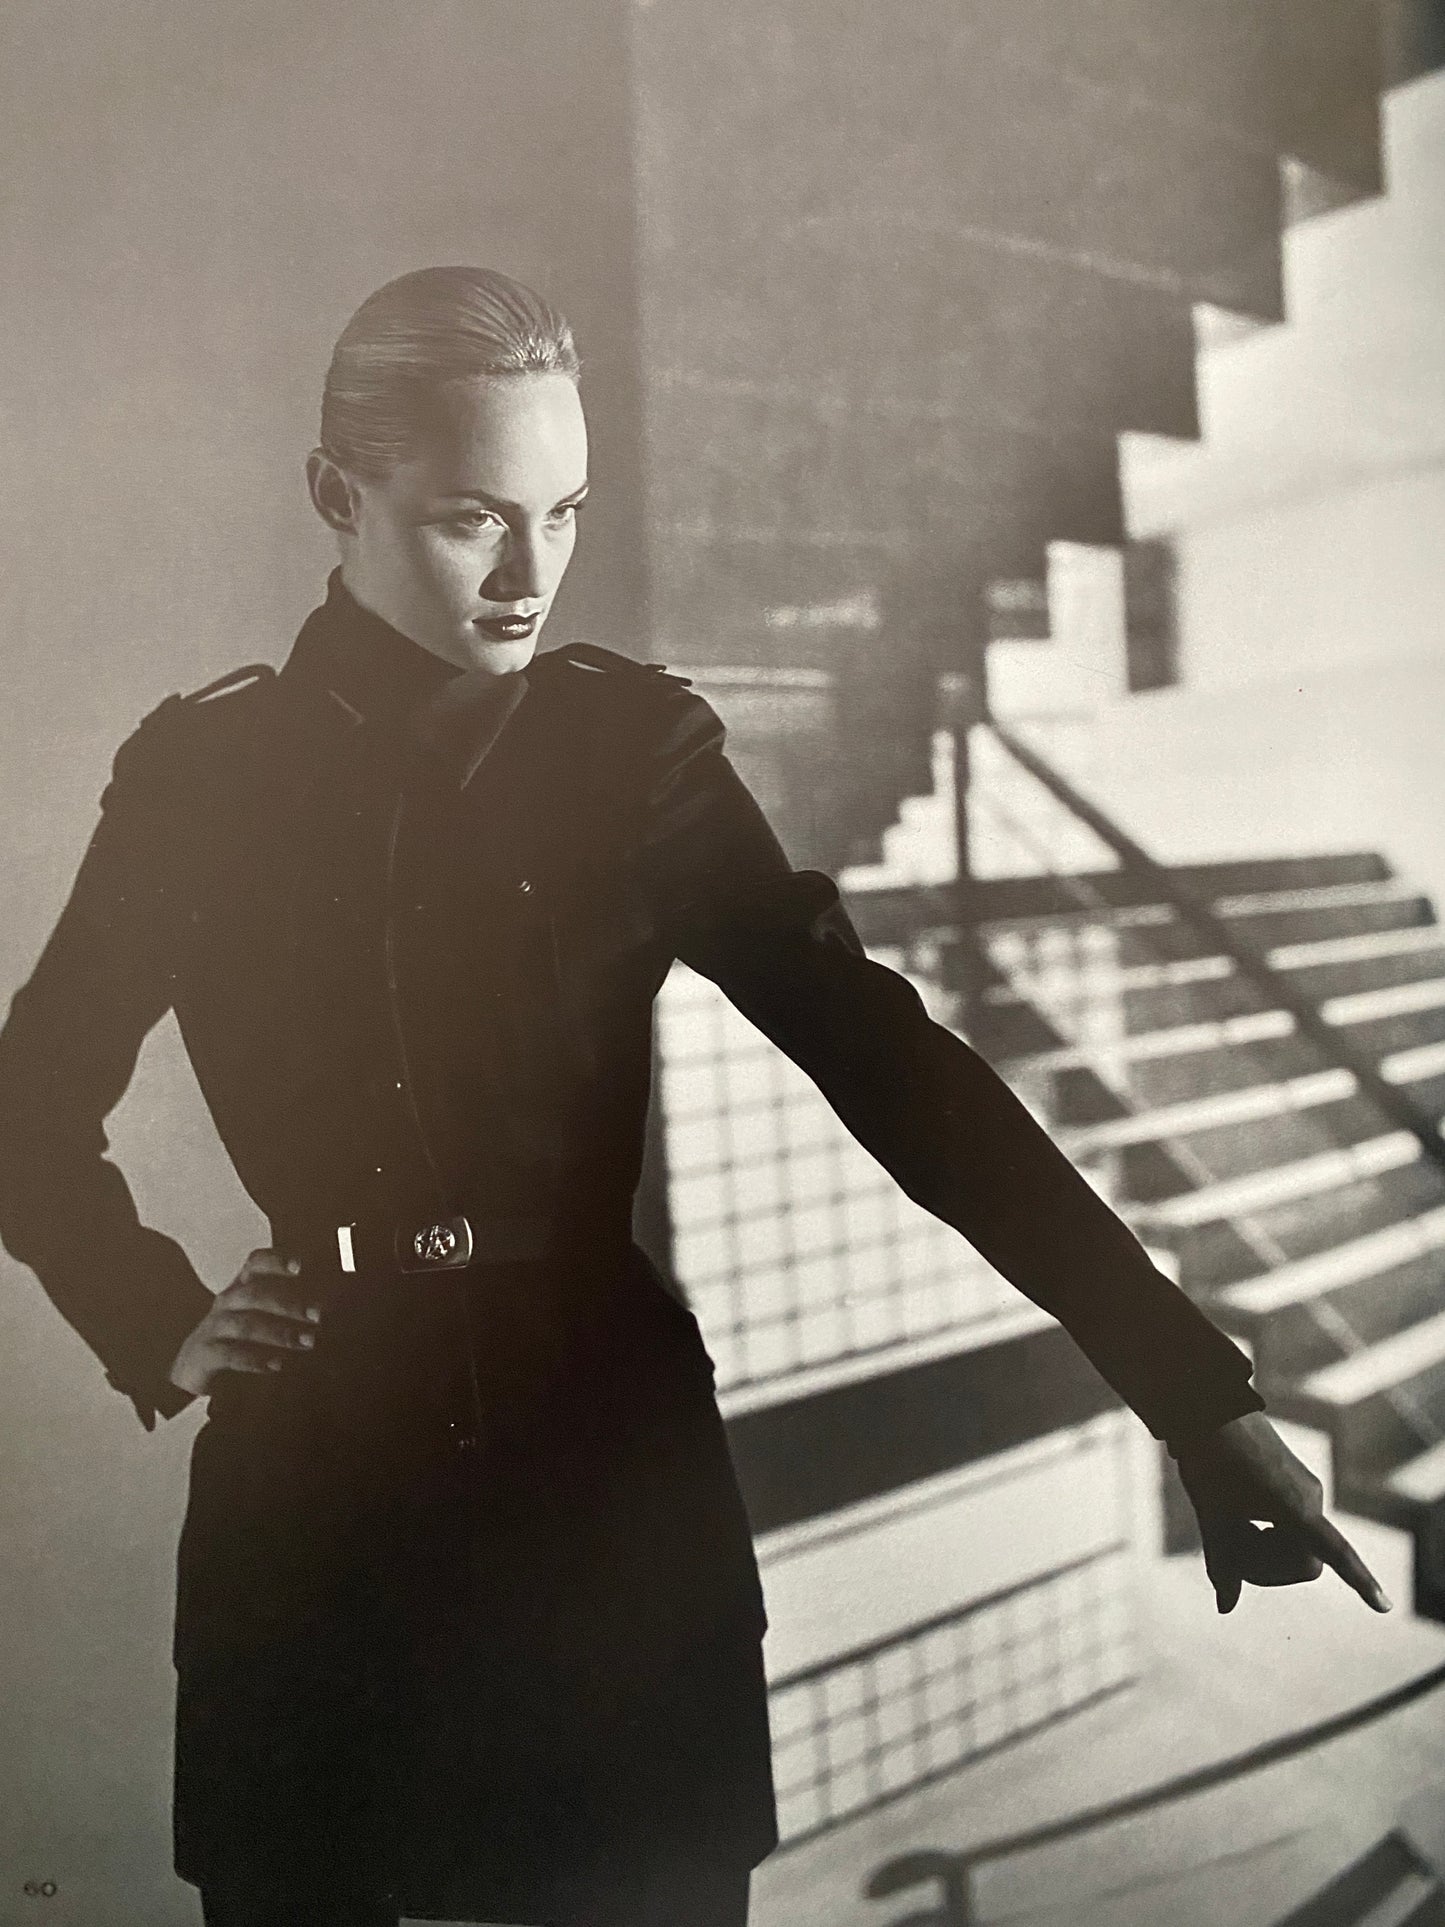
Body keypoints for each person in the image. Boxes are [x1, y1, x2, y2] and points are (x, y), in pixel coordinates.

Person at [0, 266, 1388, 1927]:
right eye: (470, 519)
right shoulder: (200, 777)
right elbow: (27, 1104)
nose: (529, 575)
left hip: (609, 1470)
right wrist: (152, 1319)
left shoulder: (629, 755)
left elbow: (894, 1069)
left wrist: (1191, 1395)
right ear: (335, 495)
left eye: (564, 513)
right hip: (314, 1493)